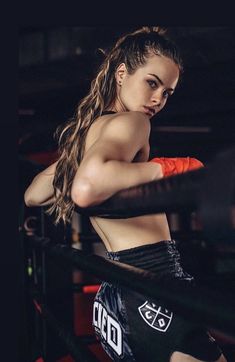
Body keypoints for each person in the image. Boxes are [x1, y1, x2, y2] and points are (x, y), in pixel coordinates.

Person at [24, 27, 227, 362]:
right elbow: (87, 189)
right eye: (152, 82)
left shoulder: (89, 134)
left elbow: (33, 195)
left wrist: (76, 165)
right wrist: (172, 168)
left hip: (120, 294)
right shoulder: (132, 123)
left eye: (167, 92)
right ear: (122, 73)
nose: (158, 99)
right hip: (155, 287)